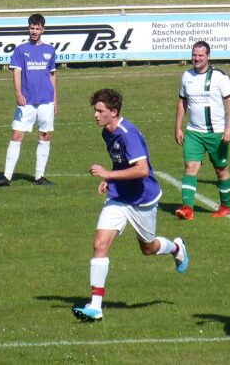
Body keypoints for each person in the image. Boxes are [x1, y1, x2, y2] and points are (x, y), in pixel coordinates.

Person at [71, 89, 188, 323]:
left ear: (114, 112)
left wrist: (108, 173)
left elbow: (143, 169)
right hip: (119, 197)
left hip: (143, 199)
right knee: (99, 244)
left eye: (100, 111)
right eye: (95, 110)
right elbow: (121, 162)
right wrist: (110, 178)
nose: (95, 115)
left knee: (148, 248)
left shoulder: (127, 134)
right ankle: (95, 307)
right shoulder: (107, 132)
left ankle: (176, 248)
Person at [0, 14, 58, 187]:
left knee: (45, 135)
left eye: (37, 28)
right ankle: (6, 177)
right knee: (17, 134)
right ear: (28, 28)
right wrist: (18, 93)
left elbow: (52, 75)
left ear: (43, 29)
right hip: (26, 101)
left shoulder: (50, 50)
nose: (34, 31)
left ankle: (39, 177)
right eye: (32, 28)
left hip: (46, 100)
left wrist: (55, 100)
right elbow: (16, 72)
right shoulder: (21, 50)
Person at [173, 40, 230, 219]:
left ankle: (225, 206)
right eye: (194, 55)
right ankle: (187, 208)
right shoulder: (186, 76)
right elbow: (182, 101)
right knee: (190, 166)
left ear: (208, 56)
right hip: (194, 132)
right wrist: (178, 126)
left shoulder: (220, 77)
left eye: (201, 55)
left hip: (216, 132)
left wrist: (229, 127)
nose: (197, 58)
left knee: (221, 169)